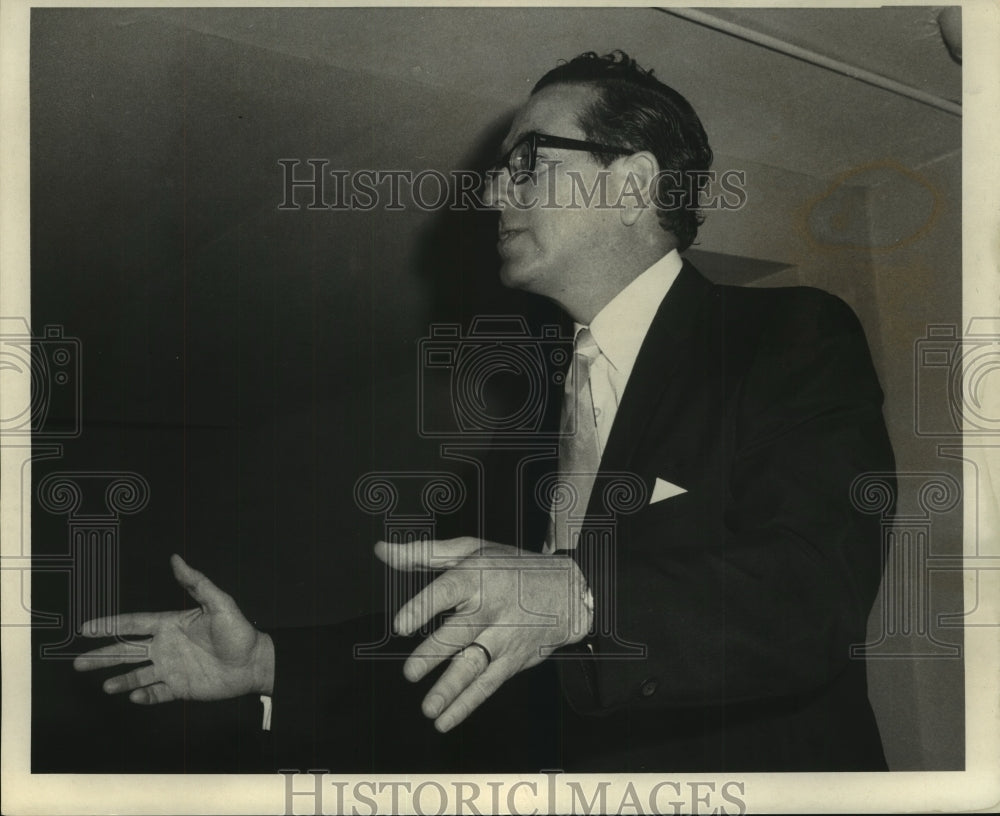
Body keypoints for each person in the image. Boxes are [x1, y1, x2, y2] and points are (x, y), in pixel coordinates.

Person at [74, 51, 895, 772]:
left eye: (529, 160)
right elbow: (452, 638)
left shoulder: (786, 335)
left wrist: (575, 596)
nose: (495, 189)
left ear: (634, 184)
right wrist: (266, 663)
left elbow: (816, 586)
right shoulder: (522, 439)